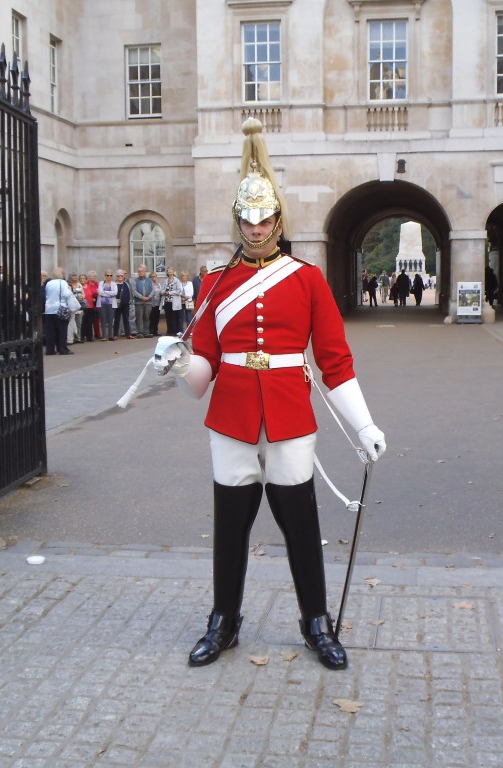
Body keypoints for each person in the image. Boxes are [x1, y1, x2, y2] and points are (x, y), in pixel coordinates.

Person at [153, 118, 386, 670]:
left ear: (278, 219)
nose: (255, 229)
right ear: (237, 221)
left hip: (288, 417)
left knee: (301, 526)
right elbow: (202, 378)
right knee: (229, 525)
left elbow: (334, 362)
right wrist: (178, 362)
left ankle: (315, 621)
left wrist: (364, 425)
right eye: (246, 221)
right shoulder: (213, 283)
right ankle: (224, 620)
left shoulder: (307, 280)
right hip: (231, 416)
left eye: (264, 220)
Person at [43, 266, 77, 355]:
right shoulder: (63, 283)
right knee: (62, 330)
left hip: (49, 309)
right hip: (60, 308)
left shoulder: (48, 283)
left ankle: (50, 350)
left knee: (51, 331)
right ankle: (62, 349)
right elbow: (66, 294)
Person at [130, 264, 155, 338]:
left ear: (145, 272)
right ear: (138, 272)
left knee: (147, 317)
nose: (141, 273)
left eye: (143, 271)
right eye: (140, 271)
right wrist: (141, 297)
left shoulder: (149, 280)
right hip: (138, 302)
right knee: (139, 318)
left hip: (148, 302)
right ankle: (140, 332)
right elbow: (133, 291)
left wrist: (149, 296)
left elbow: (153, 290)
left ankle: (146, 332)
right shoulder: (135, 281)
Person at [113, 269, 135, 339]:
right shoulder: (114, 284)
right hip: (116, 304)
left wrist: (130, 301)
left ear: (123, 276)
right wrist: (115, 300)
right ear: (116, 276)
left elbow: (130, 293)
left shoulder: (127, 284)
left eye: (121, 276)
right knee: (116, 319)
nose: (120, 277)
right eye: (118, 276)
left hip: (126, 304)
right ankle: (115, 334)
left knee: (126, 319)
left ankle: (128, 334)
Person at [162, 267, 183, 336]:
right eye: (168, 271)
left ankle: (174, 331)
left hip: (174, 302)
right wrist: (164, 292)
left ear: (173, 272)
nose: (170, 272)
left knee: (174, 317)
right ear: (167, 272)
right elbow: (162, 290)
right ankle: (169, 331)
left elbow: (179, 291)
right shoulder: (165, 281)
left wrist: (170, 293)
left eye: (171, 270)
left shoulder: (177, 281)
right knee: (168, 317)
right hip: (167, 301)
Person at [97, 269, 117, 341]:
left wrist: (105, 292)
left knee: (111, 320)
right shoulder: (101, 283)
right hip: (102, 304)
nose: (109, 277)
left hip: (111, 304)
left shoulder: (114, 284)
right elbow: (100, 292)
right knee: (103, 320)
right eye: (107, 275)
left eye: (110, 275)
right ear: (105, 276)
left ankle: (110, 336)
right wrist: (109, 293)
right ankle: (104, 336)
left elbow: (115, 293)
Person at [83, 270, 100, 341]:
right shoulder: (86, 284)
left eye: (94, 276)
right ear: (89, 277)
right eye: (91, 276)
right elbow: (86, 293)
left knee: (96, 319)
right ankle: (88, 335)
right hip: (89, 303)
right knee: (88, 321)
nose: (93, 277)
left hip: (97, 303)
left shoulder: (97, 284)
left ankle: (97, 334)